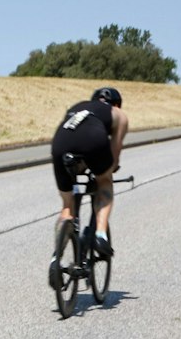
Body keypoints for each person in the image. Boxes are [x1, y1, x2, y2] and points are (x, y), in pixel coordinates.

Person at [49, 86, 129, 269]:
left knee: (67, 207)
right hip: (93, 140)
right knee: (105, 182)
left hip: (60, 142)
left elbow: (74, 134)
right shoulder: (118, 114)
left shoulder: (80, 106)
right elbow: (114, 157)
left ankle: (55, 260)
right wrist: (108, 170)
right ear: (117, 104)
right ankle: (100, 235)